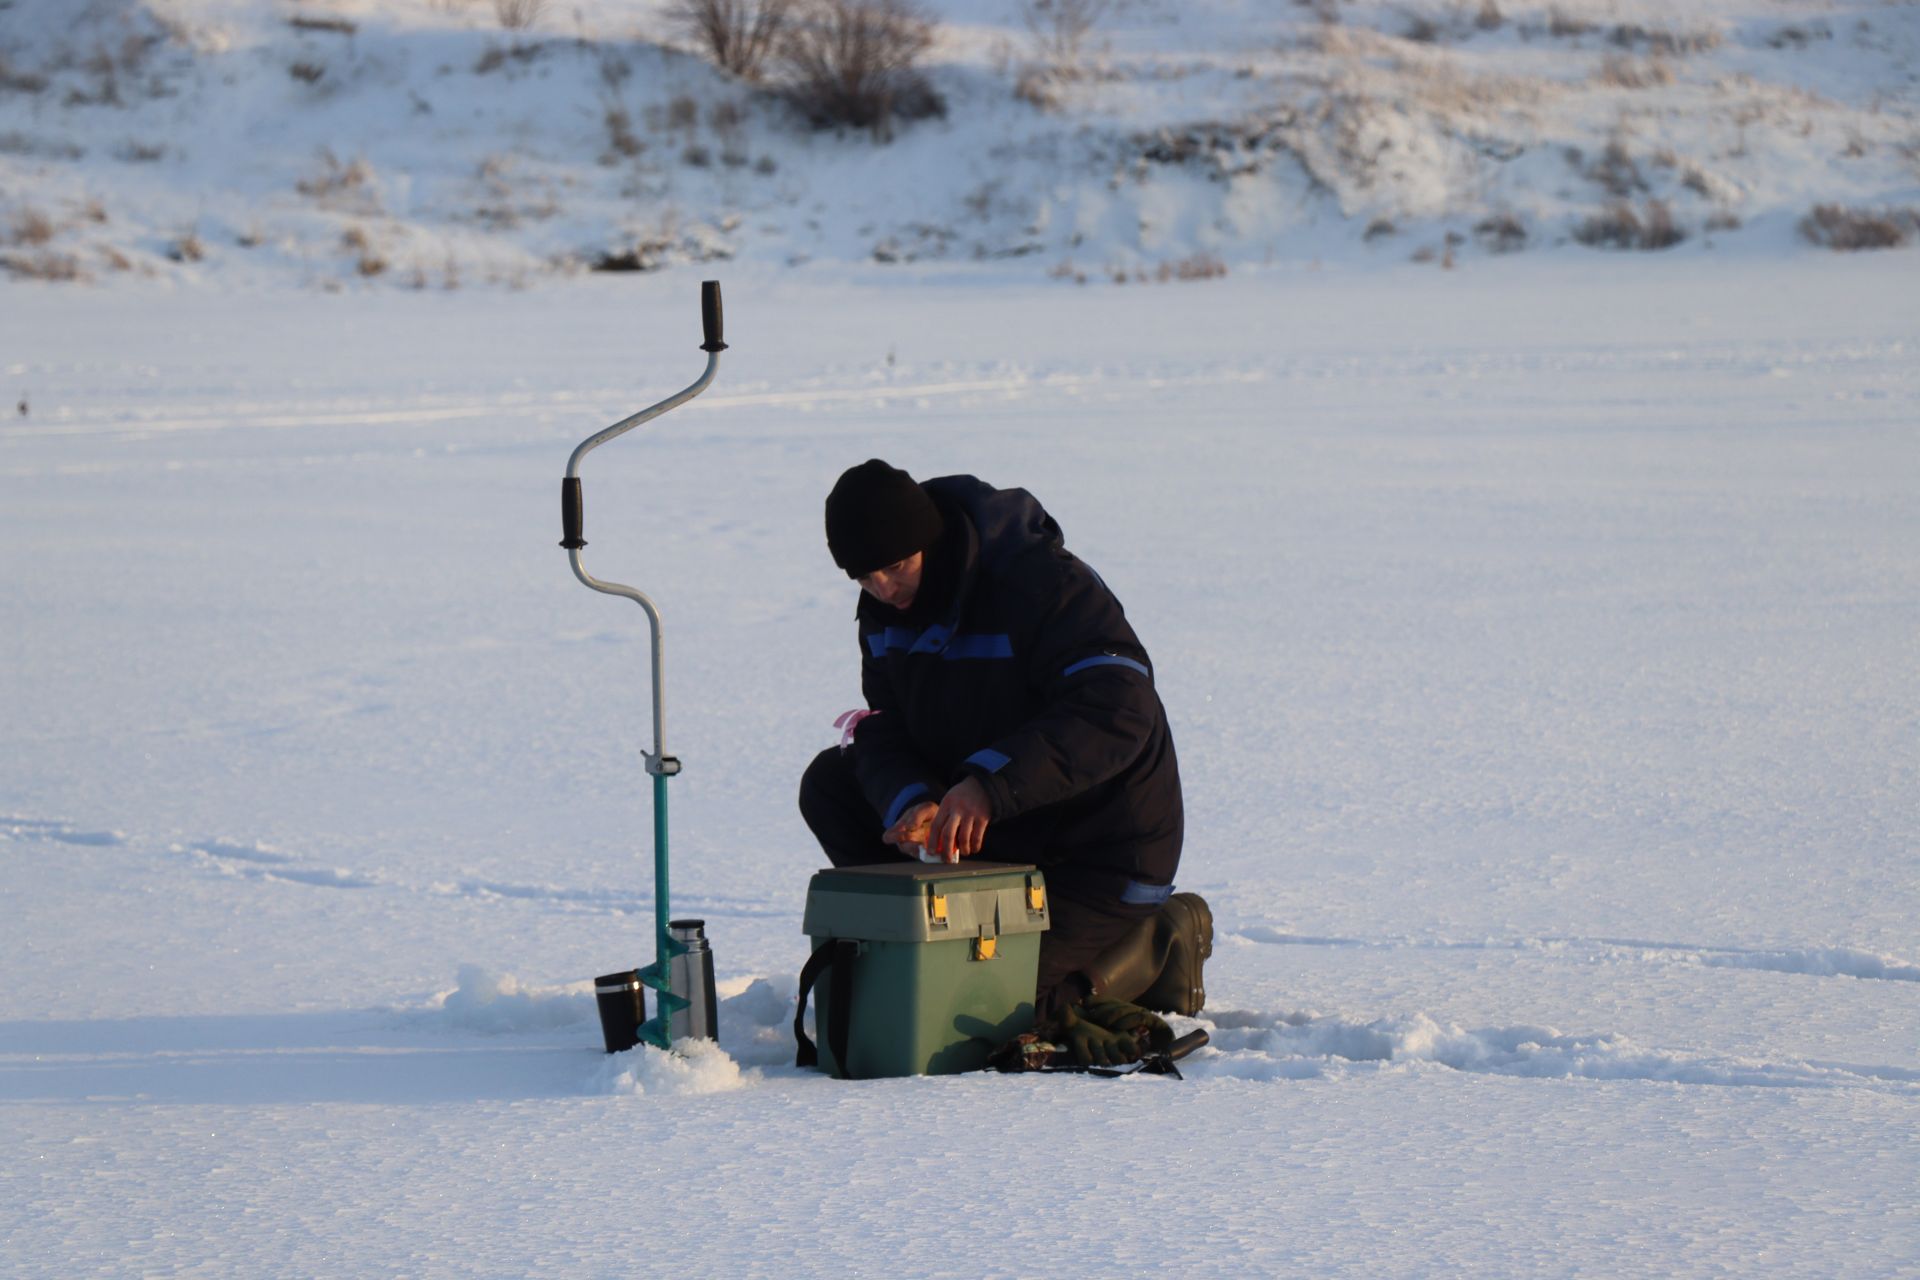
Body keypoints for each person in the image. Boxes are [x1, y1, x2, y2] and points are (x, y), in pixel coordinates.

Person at [797, 458, 1210, 1066]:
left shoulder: (1041, 583)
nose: (882, 588)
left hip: (1100, 850)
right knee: (832, 785)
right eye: (863, 577)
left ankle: (1155, 938)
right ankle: (926, 936)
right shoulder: (884, 612)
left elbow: (1120, 708)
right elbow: (882, 724)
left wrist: (991, 785)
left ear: (928, 542)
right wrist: (912, 799)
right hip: (1002, 837)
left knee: (981, 1013)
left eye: (894, 567)